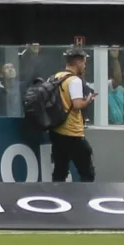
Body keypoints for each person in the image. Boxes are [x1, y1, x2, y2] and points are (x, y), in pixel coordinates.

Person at [45, 46, 98, 182]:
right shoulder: (74, 81)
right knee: (87, 171)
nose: (85, 66)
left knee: (60, 170)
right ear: (78, 62)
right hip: (72, 133)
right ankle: (86, 198)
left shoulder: (56, 77)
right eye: (84, 63)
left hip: (56, 131)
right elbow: (77, 105)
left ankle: (57, 196)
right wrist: (88, 100)